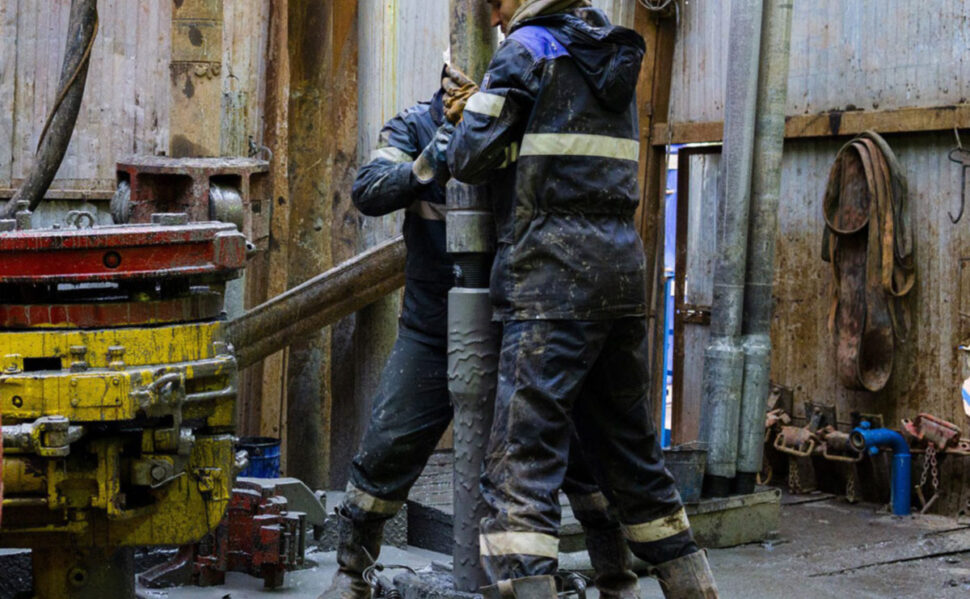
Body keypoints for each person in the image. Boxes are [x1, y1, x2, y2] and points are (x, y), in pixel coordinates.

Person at [319, 71, 641, 599]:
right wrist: (445, 146)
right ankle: (351, 573)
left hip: (525, 324)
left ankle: (616, 579)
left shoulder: (521, 128)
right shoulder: (414, 127)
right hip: (433, 327)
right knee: (387, 446)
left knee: (582, 458)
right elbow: (370, 190)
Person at [447, 1, 720, 598]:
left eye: (496, 5)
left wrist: (471, 114)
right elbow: (559, 155)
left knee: (522, 467)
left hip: (550, 285)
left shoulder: (525, 51)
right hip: (619, 279)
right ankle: (695, 589)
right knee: (634, 461)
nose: (495, 18)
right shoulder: (607, 52)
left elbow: (470, 158)